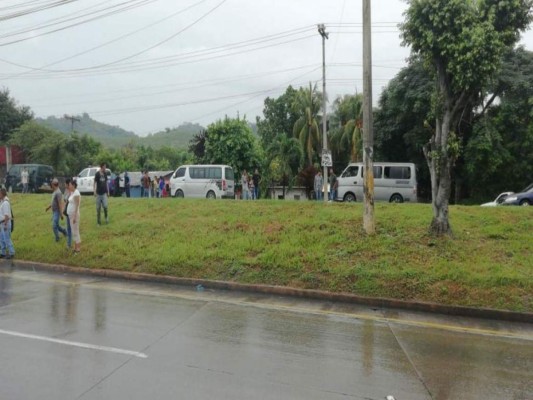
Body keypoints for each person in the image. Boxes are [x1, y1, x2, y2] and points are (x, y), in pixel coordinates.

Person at [67, 179, 81, 254]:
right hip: (70, 215)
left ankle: (78, 248)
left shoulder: (76, 194)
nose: (69, 186)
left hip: (74, 215)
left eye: (70, 185)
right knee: (73, 231)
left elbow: (77, 205)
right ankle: (75, 247)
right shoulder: (72, 193)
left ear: (73, 185)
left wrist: (75, 216)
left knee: (76, 231)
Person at [0, 188, 15, 259]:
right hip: (2, 223)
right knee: (2, 239)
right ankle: (2, 253)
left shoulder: (5, 203)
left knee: (7, 239)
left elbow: (6, 215)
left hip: (5, 223)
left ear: (2, 194)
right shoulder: (2, 202)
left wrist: (5, 224)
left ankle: (11, 253)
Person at [63, 178, 73, 250]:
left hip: (71, 212)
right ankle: (69, 244)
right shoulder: (66, 191)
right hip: (67, 212)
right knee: (69, 228)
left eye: (66, 184)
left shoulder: (73, 192)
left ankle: (70, 244)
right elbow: (64, 199)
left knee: (71, 228)